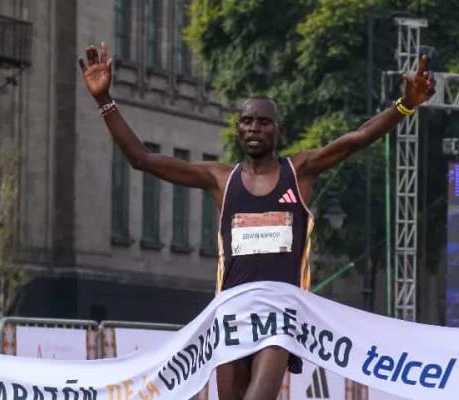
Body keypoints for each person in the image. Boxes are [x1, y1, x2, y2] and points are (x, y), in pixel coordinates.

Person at [79, 42, 435, 400]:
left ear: (279, 130)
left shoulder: (299, 172)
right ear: (238, 129)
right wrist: (104, 101)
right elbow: (142, 159)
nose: (254, 128)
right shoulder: (220, 179)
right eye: (247, 121)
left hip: (279, 316)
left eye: (264, 122)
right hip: (231, 314)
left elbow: (355, 140)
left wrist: (404, 106)